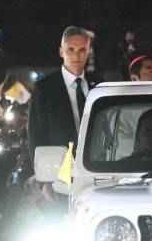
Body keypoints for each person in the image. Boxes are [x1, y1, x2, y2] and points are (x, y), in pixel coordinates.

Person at [27, 26, 101, 157]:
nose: (76, 55)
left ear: (88, 51)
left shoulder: (99, 84)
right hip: (60, 169)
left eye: (82, 50)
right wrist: (44, 173)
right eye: (70, 50)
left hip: (98, 165)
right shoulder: (44, 89)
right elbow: (36, 136)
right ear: (61, 52)